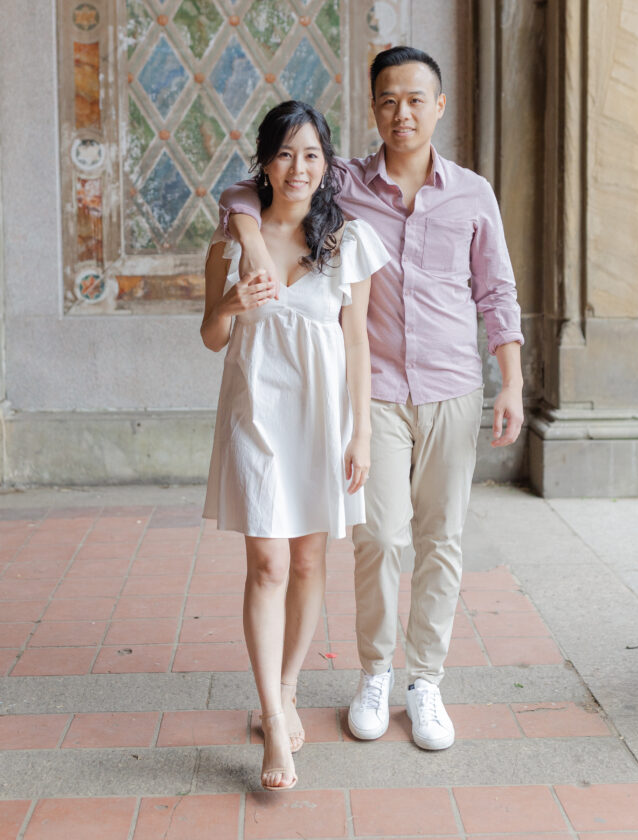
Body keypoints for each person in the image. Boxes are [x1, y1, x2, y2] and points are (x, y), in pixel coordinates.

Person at [218, 47, 524, 753]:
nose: (401, 113)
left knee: (441, 540)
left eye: (415, 99)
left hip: (451, 385)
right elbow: (244, 187)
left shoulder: (472, 192)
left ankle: (426, 680)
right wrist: (247, 239)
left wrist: (508, 379)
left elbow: (496, 292)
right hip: (375, 392)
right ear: (372, 108)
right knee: (379, 538)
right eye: (387, 100)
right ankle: (375, 672)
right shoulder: (344, 180)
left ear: (437, 106)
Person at [201, 100, 389, 790]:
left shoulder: (348, 241)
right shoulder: (231, 239)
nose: (298, 167)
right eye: (284, 154)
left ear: (327, 163)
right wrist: (229, 305)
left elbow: (358, 342)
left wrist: (361, 434)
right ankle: (273, 727)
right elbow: (210, 336)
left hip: (324, 418)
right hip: (255, 417)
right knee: (268, 567)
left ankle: (284, 687)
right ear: (265, 162)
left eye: (311, 154)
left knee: (309, 561)